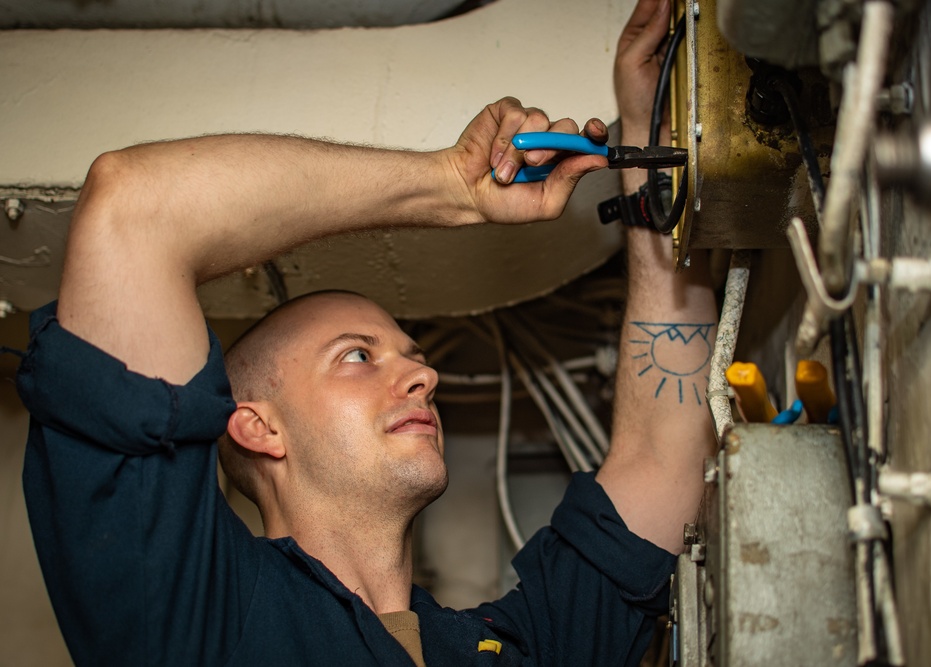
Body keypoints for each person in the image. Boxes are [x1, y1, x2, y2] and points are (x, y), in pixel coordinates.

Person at [16, 0, 716, 664]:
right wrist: (449, 185)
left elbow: (662, 460)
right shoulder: (195, 620)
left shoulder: (513, 648)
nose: (425, 376)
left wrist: (648, 136)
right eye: (357, 355)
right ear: (258, 428)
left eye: (412, 356)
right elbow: (135, 210)